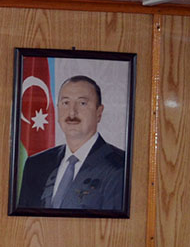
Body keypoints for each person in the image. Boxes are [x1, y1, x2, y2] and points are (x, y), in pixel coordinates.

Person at [18, 74, 125, 210]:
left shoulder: (121, 166)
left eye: (82, 103)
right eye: (66, 103)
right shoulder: (36, 164)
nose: (72, 113)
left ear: (99, 112)